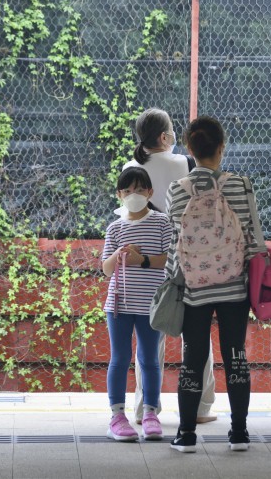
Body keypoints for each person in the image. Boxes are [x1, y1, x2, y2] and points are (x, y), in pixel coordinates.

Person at [164, 116, 264, 452]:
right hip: (234, 286)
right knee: (236, 355)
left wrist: (172, 282)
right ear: (222, 147)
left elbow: (174, 247)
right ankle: (239, 433)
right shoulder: (241, 185)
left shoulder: (177, 190)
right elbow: (254, 241)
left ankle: (187, 434)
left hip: (194, 287)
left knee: (193, 357)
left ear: (190, 149)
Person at [123, 107, 218, 426]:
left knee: (149, 340)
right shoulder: (186, 163)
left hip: (144, 265)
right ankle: (201, 407)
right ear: (164, 137)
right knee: (197, 333)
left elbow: (124, 218)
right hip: (186, 260)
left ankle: (143, 409)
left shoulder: (130, 167)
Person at [101, 166, 170, 442]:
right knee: (119, 358)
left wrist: (140, 260)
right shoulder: (115, 227)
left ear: (150, 192)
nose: (134, 195)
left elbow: (168, 258)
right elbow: (106, 269)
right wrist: (119, 255)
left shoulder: (162, 222)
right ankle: (117, 416)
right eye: (128, 191)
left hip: (151, 303)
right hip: (118, 304)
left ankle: (150, 413)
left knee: (149, 359)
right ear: (119, 195)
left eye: (139, 190)